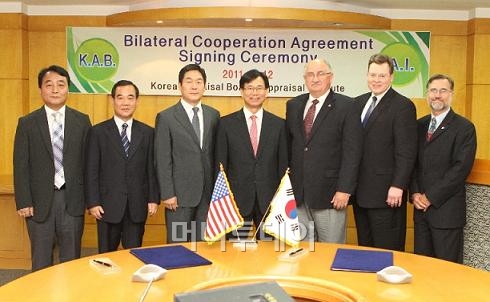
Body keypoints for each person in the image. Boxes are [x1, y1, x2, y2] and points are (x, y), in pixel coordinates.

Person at [13, 65, 91, 271]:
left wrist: (90, 199)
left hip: (72, 199)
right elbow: (20, 165)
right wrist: (23, 200)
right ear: (41, 89)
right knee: (41, 258)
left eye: (61, 84)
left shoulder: (82, 121)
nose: (55, 90)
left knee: (72, 258)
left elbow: (89, 163)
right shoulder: (27, 123)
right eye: (49, 85)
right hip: (38, 202)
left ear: (68, 89)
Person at [286, 58, 363, 243]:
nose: (315, 78)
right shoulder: (294, 105)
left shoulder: (348, 106)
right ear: (305, 79)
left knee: (331, 251)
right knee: (304, 253)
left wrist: (344, 189)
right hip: (299, 195)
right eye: (310, 74)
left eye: (321, 73)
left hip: (330, 195)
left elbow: (353, 152)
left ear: (331, 77)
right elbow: (292, 148)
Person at [85, 80, 160, 253]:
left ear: (137, 101)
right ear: (112, 100)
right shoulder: (98, 132)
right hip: (106, 206)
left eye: (130, 98)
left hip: (137, 205)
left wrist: (153, 198)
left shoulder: (148, 132)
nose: (125, 103)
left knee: (134, 255)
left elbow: (151, 167)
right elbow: (91, 170)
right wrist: (93, 202)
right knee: (106, 256)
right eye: (120, 98)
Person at [353, 53, 417, 251]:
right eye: (373, 75)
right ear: (367, 75)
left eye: (381, 76)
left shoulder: (403, 106)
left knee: (387, 250)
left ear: (391, 77)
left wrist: (398, 185)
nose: (376, 80)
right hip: (360, 193)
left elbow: (406, 151)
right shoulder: (357, 103)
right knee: (365, 248)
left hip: (387, 194)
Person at [410, 74, 476, 263]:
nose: (437, 95)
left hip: (446, 213)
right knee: (422, 269)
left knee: (448, 272)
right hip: (421, 212)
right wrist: (415, 193)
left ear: (451, 95)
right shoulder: (419, 125)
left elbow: (460, 169)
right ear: (427, 94)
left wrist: (430, 197)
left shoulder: (464, 128)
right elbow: (412, 163)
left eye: (443, 90)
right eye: (433, 90)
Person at [215, 69, 288, 239]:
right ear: (241, 91)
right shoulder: (225, 124)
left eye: (259, 88)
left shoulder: (279, 125)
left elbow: (283, 165)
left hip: (270, 202)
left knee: (270, 255)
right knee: (234, 254)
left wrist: (280, 198)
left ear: (267, 91)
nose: (254, 92)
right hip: (235, 202)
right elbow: (220, 166)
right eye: (249, 88)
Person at [154, 64, 220, 243]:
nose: (194, 86)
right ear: (180, 85)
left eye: (199, 82)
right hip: (179, 198)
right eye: (189, 81)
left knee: (204, 246)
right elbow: (162, 158)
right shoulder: (166, 117)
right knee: (178, 246)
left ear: (205, 86)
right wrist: (167, 193)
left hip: (207, 196)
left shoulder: (214, 115)